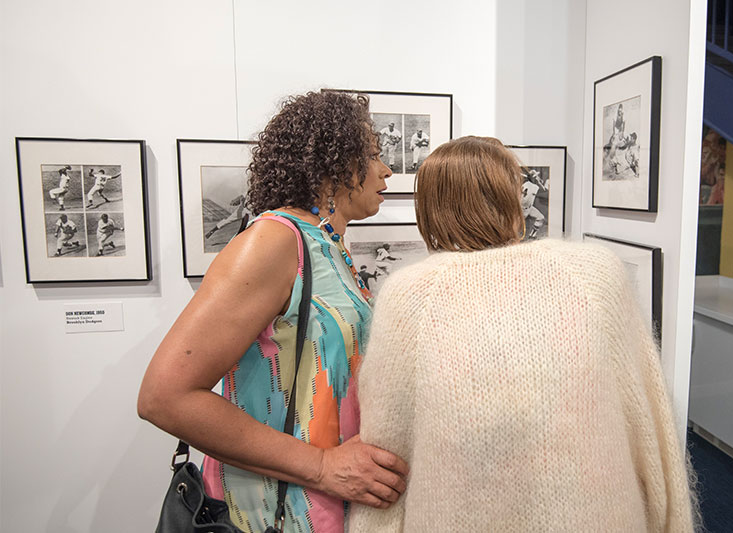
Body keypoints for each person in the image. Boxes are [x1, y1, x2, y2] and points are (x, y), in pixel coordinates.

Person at [349, 136, 697, 531]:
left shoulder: (411, 294)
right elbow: (650, 429)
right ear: (510, 198)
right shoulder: (596, 273)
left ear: (429, 208)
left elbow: (385, 463)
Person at [138, 90, 407, 533]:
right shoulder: (276, 241)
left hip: (324, 504)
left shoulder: (328, 244)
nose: (386, 170)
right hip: (270, 513)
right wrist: (322, 465)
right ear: (333, 165)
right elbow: (164, 397)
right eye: (374, 155)